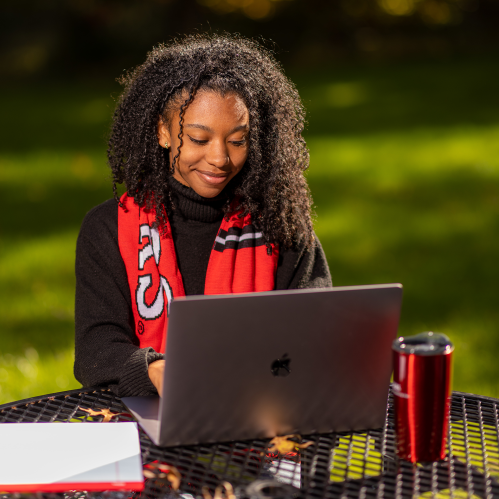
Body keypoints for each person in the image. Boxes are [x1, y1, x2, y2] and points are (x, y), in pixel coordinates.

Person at [74, 34, 332, 398]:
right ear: (164, 131)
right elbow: (96, 350)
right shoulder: (109, 229)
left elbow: (317, 334)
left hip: (264, 416)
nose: (220, 158)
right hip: (149, 420)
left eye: (237, 140)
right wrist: (157, 370)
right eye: (198, 139)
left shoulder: (280, 223)